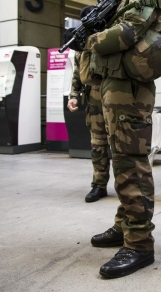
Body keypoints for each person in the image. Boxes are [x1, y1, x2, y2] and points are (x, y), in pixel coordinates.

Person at [85, 0, 161, 278]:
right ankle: (125, 225)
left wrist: (89, 39)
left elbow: (125, 35)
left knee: (131, 164)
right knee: (121, 161)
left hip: (129, 91)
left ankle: (139, 244)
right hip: (114, 88)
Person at [67, 35, 110, 203]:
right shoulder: (83, 47)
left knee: (122, 143)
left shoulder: (110, 38)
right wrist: (74, 95)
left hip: (117, 94)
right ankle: (99, 185)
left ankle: (128, 187)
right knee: (98, 143)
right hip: (93, 98)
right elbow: (78, 72)